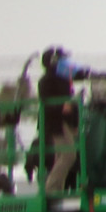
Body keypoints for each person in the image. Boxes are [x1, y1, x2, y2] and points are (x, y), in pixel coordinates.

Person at [37, 46, 84, 193]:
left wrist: (74, 121)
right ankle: (51, 189)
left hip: (65, 122)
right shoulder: (46, 81)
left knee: (61, 156)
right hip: (55, 124)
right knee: (69, 155)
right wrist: (61, 108)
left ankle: (57, 190)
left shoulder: (63, 79)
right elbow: (47, 104)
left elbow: (69, 101)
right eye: (62, 60)